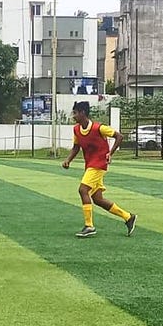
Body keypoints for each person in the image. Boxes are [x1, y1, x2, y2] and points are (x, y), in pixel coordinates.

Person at [61, 101, 137, 238]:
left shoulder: (99, 128)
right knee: (97, 199)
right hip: (90, 165)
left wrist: (110, 153)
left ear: (83, 113)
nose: (74, 116)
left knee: (82, 190)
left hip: (99, 164)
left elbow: (119, 136)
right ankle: (128, 217)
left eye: (75, 113)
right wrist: (68, 160)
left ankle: (89, 226)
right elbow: (76, 147)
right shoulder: (77, 130)